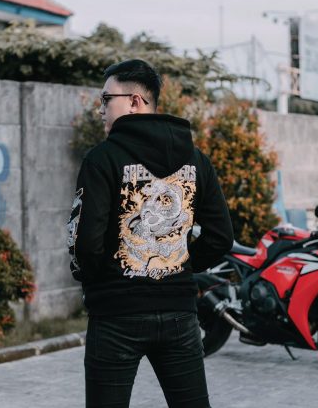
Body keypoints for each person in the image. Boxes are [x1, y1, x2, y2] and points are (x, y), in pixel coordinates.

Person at [67, 59, 234, 408]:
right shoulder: (197, 161)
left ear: (134, 101)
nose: (100, 109)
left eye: (106, 99)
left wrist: (104, 285)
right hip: (179, 313)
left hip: (116, 315)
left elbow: (85, 245)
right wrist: (179, 264)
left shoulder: (102, 159)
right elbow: (220, 236)